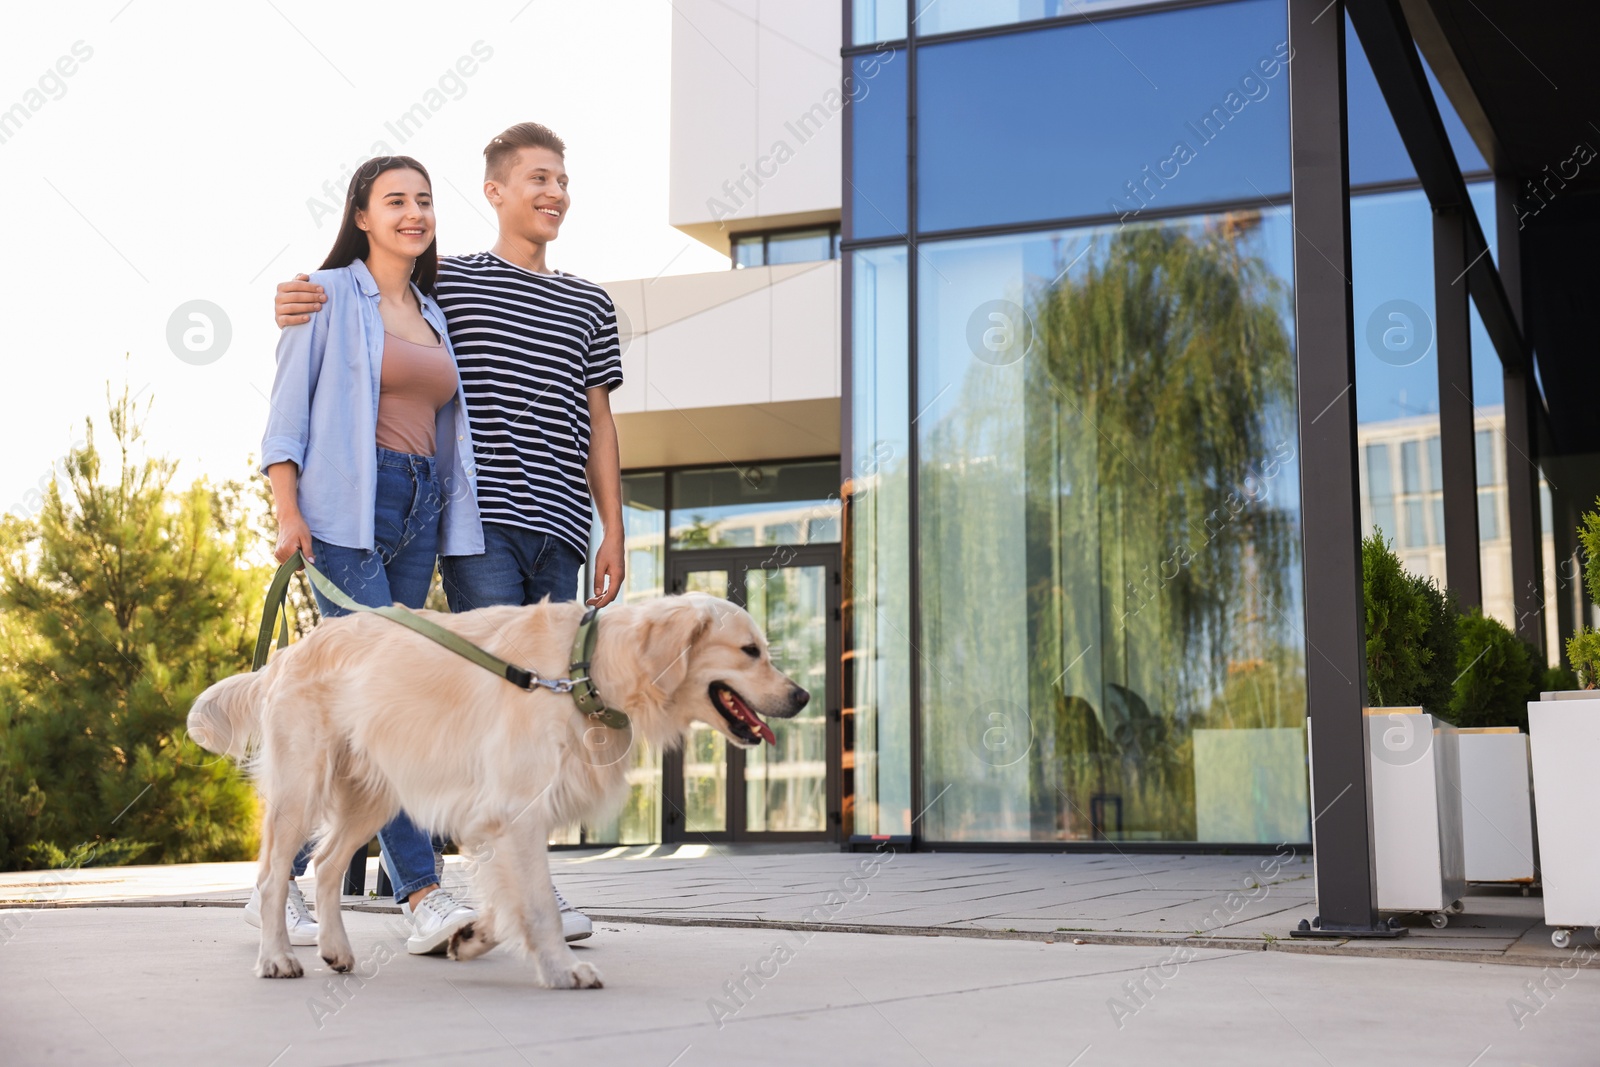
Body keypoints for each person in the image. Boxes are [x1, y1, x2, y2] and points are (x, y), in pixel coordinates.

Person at [274, 122, 624, 943]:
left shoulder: (560, 303)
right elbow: (331, 328)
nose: (554, 192)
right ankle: (440, 892)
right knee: (463, 709)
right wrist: (294, 297)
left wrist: (614, 527)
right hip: (468, 526)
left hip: (513, 524)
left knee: (538, 714)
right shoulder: (447, 286)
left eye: (563, 179)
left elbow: (600, 424)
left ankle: (490, 888)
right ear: (496, 192)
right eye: (536, 178)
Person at [255, 154, 487, 956]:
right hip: (347, 512)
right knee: (390, 707)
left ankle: (285, 880)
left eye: (424, 200)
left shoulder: (434, 308)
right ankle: (421, 891)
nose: (414, 213)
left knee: (386, 708)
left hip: (421, 506)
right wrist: (288, 512)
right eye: (396, 200)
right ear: (361, 214)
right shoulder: (324, 298)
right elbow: (285, 422)